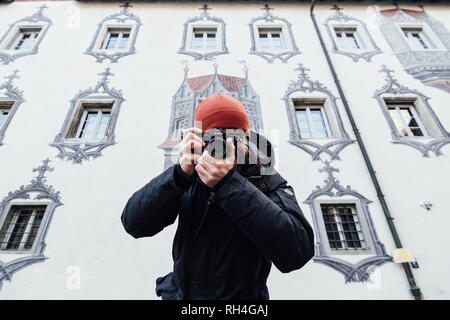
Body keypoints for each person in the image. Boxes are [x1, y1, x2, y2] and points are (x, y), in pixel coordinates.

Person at [121, 92, 315, 300]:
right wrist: (178, 176)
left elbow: (297, 251)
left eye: (234, 137)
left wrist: (229, 184)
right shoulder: (189, 177)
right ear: (200, 140)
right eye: (214, 137)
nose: (225, 145)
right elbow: (134, 223)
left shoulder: (265, 180)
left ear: (247, 140)